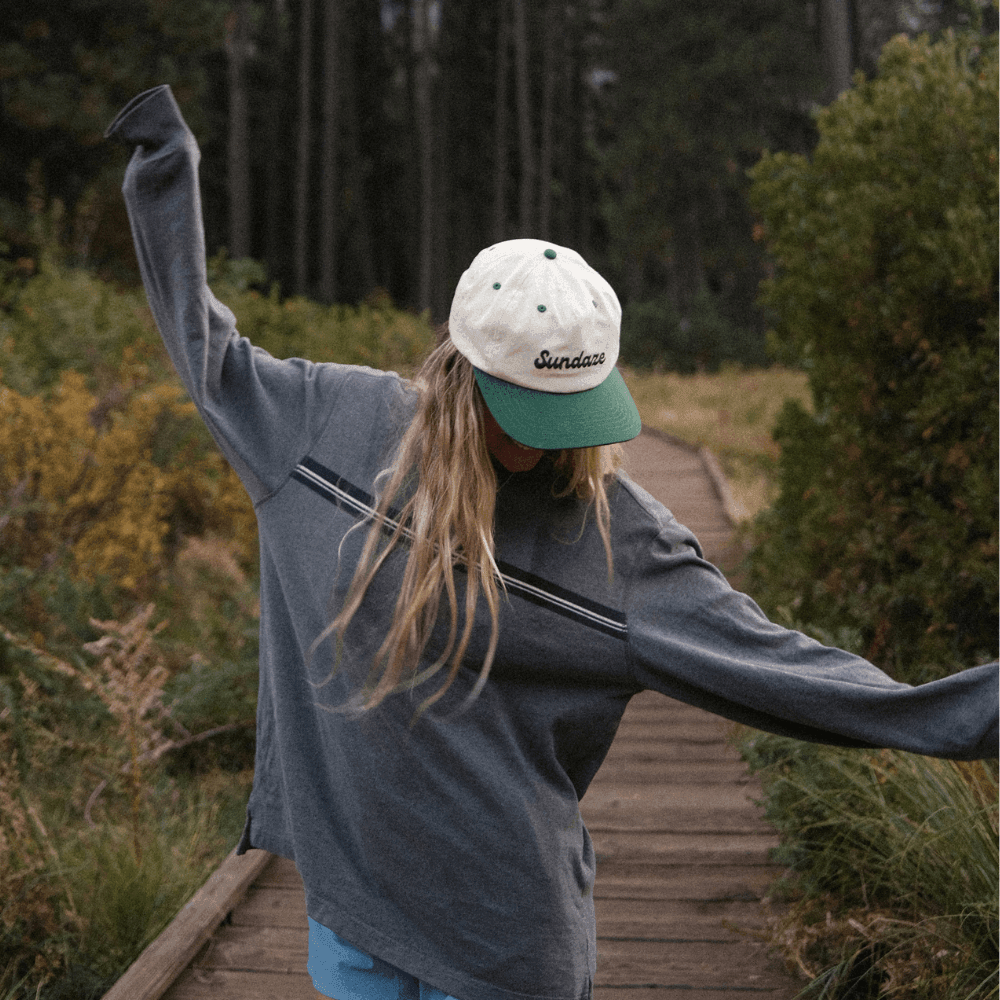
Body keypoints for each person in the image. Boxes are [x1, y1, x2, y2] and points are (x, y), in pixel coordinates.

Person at [106, 85, 997, 1000]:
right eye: (535, 411)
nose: (560, 442)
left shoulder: (624, 548)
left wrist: (973, 713)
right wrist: (167, 165)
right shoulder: (320, 431)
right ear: (465, 377)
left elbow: (784, 673)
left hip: (505, 948)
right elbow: (204, 349)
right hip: (355, 916)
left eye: (580, 408)